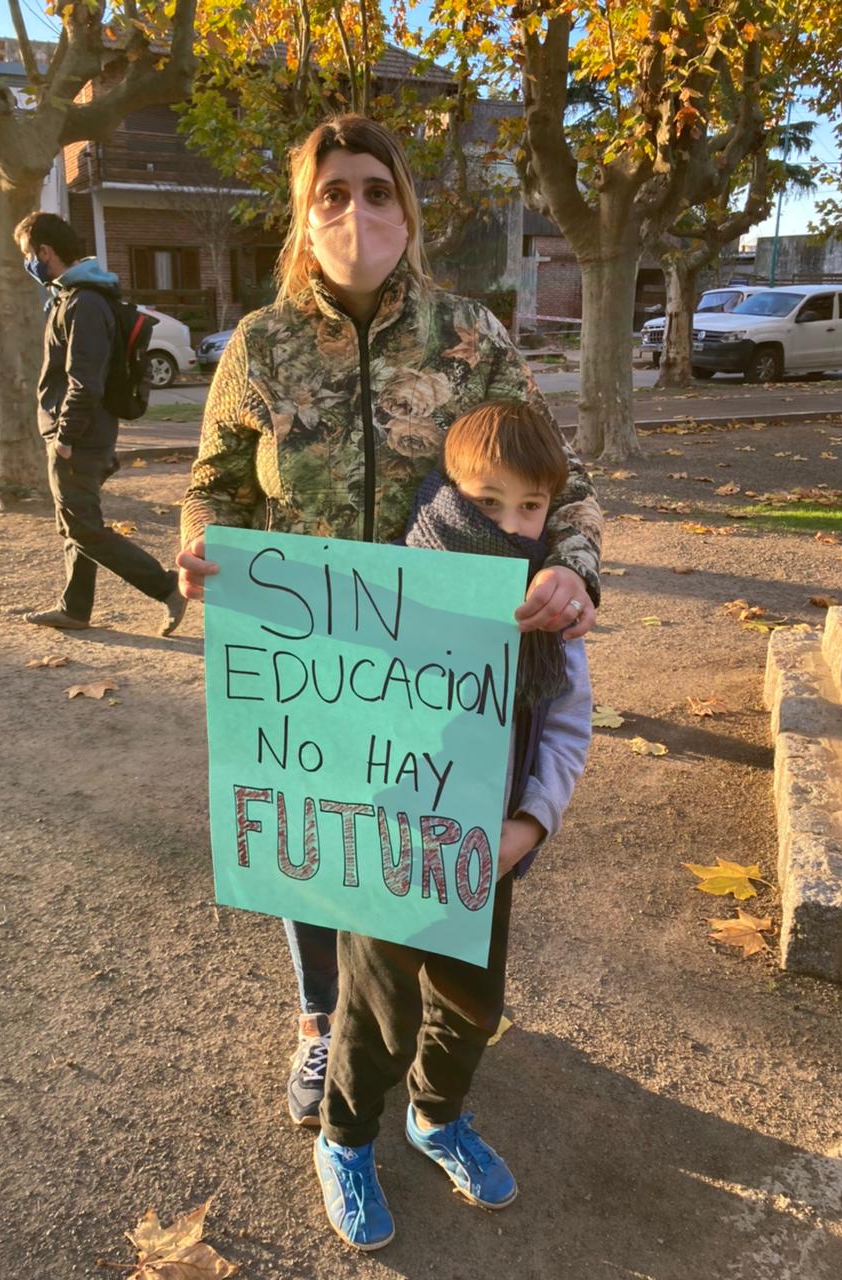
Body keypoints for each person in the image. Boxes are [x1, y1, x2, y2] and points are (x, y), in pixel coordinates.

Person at [176, 115, 602, 1127]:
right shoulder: (261, 345)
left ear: (405, 209)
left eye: (376, 190)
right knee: (314, 840)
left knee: (424, 842)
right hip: (305, 653)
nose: (356, 212)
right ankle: (322, 1020)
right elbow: (215, 482)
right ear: (303, 214)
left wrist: (573, 569)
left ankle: (423, 1024)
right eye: (332, 194)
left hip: (444, 660)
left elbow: (563, 476)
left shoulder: (470, 336)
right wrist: (199, 544)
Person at [308, 398, 593, 1248]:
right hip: (388, 849)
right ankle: (345, 1138)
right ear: (447, 491)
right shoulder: (386, 585)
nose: (511, 523)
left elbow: (568, 726)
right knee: (377, 1012)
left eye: (531, 506)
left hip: (485, 851)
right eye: (488, 500)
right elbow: (326, 692)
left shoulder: (551, 606)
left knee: (472, 1006)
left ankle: (435, 1117)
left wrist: (529, 827)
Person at [13, 211, 186, 637]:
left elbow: (84, 380)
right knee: (75, 521)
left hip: (79, 436)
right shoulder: (74, 297)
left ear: (45, 252)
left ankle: (166, 587)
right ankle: (75, 608)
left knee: (82, 526)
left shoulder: (84, 303)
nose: (28, 263)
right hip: (83, 431)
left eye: (28, 254)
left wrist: (65, 437)